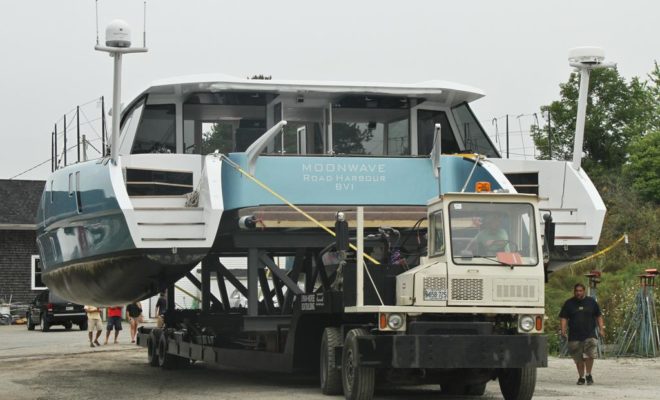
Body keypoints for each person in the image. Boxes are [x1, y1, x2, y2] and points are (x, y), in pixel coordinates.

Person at [559, 283, 605, 386]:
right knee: (578, 358)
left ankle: (588, 374)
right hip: (574, 335)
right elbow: (563, 317)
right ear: (574, 291)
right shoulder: (569, 303)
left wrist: (601, 329)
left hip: (590, 333)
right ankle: (581, 377)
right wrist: (563, 330)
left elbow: (599, 316)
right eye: (576, 291)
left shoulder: (592, 302)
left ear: (584, 291)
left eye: (580, 291)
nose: (578, 293)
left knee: (590, 355)